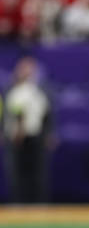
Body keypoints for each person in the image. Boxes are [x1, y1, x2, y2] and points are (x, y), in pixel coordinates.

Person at [3, 56, 52, 203]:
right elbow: (7, 114)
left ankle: (38, 204)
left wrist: (49, 133)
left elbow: (48, 114)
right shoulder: (10, 90)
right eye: (22, 68)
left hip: (35, 136)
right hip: (14, 137)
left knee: (37, 172)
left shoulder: (40, 90)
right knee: (17, 173)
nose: (25, 71)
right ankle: (19, 203)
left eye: (28, 68)